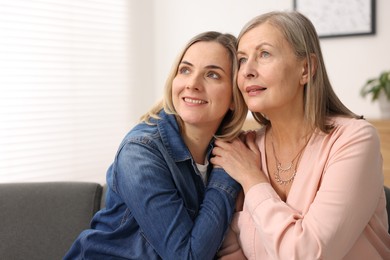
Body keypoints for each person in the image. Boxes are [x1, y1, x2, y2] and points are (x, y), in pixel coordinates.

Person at [211, 11, 390, 259]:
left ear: (306, 69)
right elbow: (226, 248)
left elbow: (308, 253)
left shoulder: (354, 139)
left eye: (264, 54)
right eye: (242, 60)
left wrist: (252, 179)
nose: (247, 71)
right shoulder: (242, 148)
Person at [64, 31, 248, 259]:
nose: (192, 84)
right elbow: (186, 256)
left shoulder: (228, 150)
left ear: (234, 97)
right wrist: (225, 175)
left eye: (212, 75)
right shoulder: (140, 151)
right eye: (185, 70)